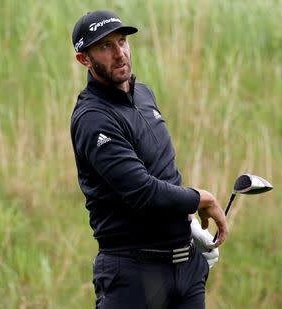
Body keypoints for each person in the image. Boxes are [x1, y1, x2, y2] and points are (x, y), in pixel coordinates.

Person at [70, 10, 229, 308]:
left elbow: (164, 170)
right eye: (105, 47)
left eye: (122, 41)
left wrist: (187, 222)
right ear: (84, 59)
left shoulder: (144, 95)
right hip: (133, 273)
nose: (119, 54)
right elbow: (141, 190)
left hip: (186, 270)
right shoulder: (93, 118)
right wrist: (199, 199)